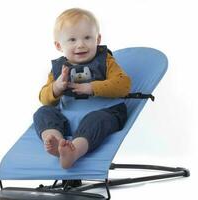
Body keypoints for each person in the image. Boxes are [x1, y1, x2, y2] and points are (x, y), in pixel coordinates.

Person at [33, 8, 131, 169]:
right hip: (68, 117)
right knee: (43, 112)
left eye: (87, 37)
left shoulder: (106, 61)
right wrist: (56, 87)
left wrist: (91, 87)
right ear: (59, 45)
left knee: (96, 120)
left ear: (98, 39)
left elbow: (124, 85)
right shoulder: (59, 68)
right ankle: (56, 142)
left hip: (105, 112)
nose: (81, 44)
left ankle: (74, 151)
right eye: (72, 40)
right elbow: (44, 98)